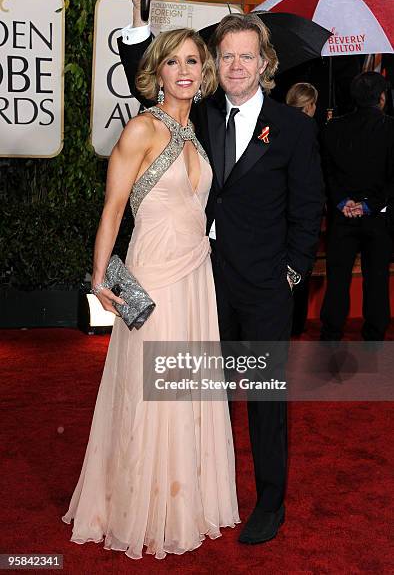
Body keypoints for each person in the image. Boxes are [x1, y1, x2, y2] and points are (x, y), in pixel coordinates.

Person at [118, 0, 324, 545]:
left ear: (266, 64)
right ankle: (206, 490)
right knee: (204, 399)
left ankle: (270, 502)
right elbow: (140, 77)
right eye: (226, 56)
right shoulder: (197, 115)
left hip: (263, 288)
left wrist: (290, 273)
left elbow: (309, 209)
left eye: (246, 56)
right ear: (217, 64)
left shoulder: (291, 128)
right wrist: (142, 11)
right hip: (201, 284)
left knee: (263, 400)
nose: (235, 65)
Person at [62, 27, 240, 560]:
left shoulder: (198, 133)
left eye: (193, 61)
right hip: (153, 278)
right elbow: (113, 210)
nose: (184, 70)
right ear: (156, 71)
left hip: (195, 277)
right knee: (150, 390)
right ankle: (139, 505)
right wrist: (99, 279)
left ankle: (183, 499)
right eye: (173, 62)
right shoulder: (142, 129)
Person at [320, 72, 394, 341]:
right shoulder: (390, 128)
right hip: (377, 218)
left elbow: (326, 173)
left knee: (337, 278)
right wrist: (369, 205)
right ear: (382, 98)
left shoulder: (332, 127)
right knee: (377, 278)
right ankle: (374, 335)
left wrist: (344, 202)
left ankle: (330, 333)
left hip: (343, 216)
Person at [286, 83, 319, 334]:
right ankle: (295, 325)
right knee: (298, 266)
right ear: (309, 105)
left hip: (279, 211)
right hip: (299, 210)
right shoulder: (308, 128)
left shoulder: (276, 124)